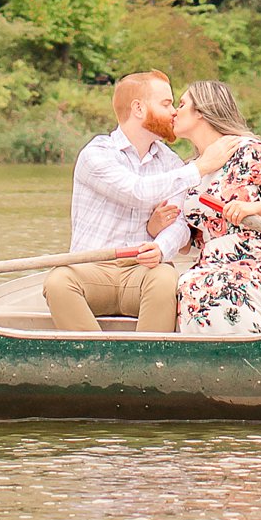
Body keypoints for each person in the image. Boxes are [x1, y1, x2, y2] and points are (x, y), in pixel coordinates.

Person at [42, 70, 192, 334]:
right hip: (92, 270)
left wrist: (161, 247)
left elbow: (180, 225)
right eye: (166, 104)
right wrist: (199, 169)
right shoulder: (96, 154)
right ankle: (97, 361)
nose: (174, 113)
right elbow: (136, 191)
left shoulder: (171, 163)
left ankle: (145, 366)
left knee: (166, 278)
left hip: (141, 272)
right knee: (58, 282)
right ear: (138, 108)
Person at [168, 79, 261, 334]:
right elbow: (188, 244)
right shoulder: (190, 170)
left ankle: (252, 355)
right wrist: (160, 224)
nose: (174, 111)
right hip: (212, 263)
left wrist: (253, 209)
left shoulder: (249, 151)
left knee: (214, 287)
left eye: (181, 104)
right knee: (187, 285)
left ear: (202, 112)